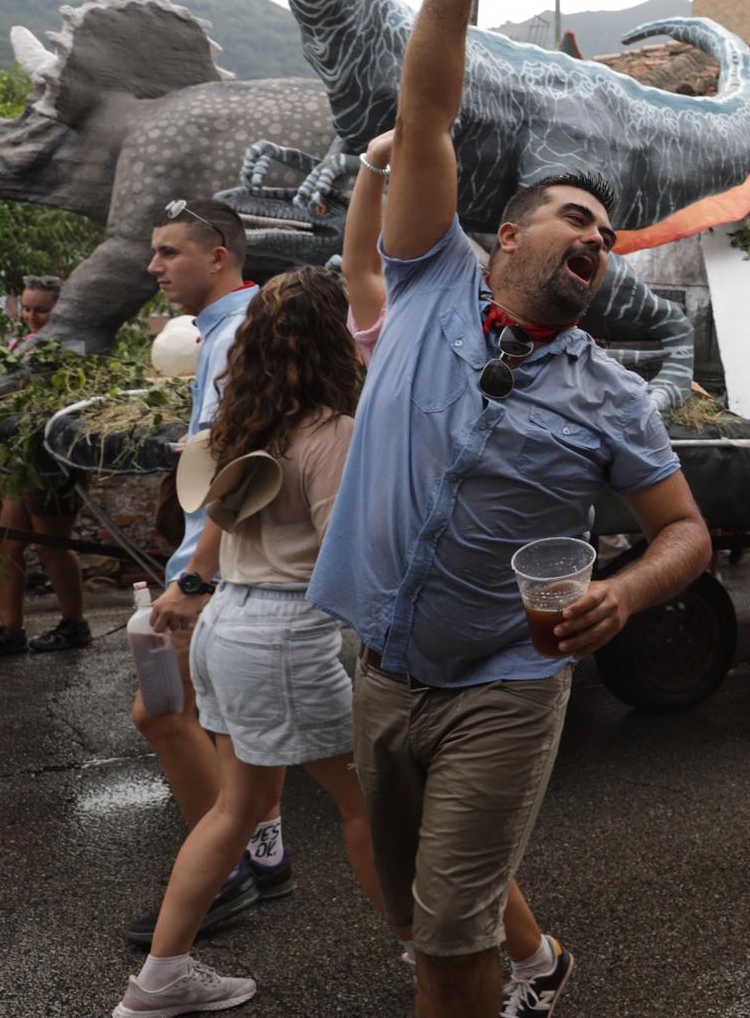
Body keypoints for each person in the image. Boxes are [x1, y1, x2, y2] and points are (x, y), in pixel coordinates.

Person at [305, 0, 714, 1018]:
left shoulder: (612, 399)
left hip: (506, 682)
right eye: (575, 218)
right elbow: (424, 107)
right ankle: (518, 970)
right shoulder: (428, 277)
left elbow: (682, 530)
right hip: (377, 663)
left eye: (608, 230)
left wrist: (627, 597)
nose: (598, 236)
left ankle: (489, 976)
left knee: (446, 934)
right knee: (404, 902)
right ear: (505, 236)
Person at [113, 268, 384, 1016]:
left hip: (228, 623)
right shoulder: (331, 427)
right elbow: (342, 557)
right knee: (367, 800)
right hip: (287, 635)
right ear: (338, 337)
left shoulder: (241, 420)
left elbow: (217, 526)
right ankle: (432, 951)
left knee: (238, 805)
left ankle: (161, 978)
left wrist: (192, 589)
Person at [337, 127, 566, 1013]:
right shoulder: (392, 332)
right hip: (388, 650)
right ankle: (507, 950)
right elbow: (366, 262)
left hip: (492, 664)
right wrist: (371, 169)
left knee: (450, 892)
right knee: (431, 874)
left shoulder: (495, 338)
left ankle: (484, 951)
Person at [124, 198, 284, 945]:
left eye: (168, 252)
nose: (153, 266)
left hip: (219, 571)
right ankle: (261, 850)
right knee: (237, 729)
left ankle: (223, 875)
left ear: (218, 255)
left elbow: (245, 470)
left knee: (160, 714)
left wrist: (193, 579)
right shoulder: (228, 331)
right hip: (227, 568)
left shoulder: (237, 339)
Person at [0, 277, 92, 661]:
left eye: (41, 310)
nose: (31, 316)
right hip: (17, 461)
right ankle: (10, 631)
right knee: (3, 543)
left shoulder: (70, 351)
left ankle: (74, 623)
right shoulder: (19, 347)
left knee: (53, 545)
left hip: (51, 464)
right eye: (27, 308)